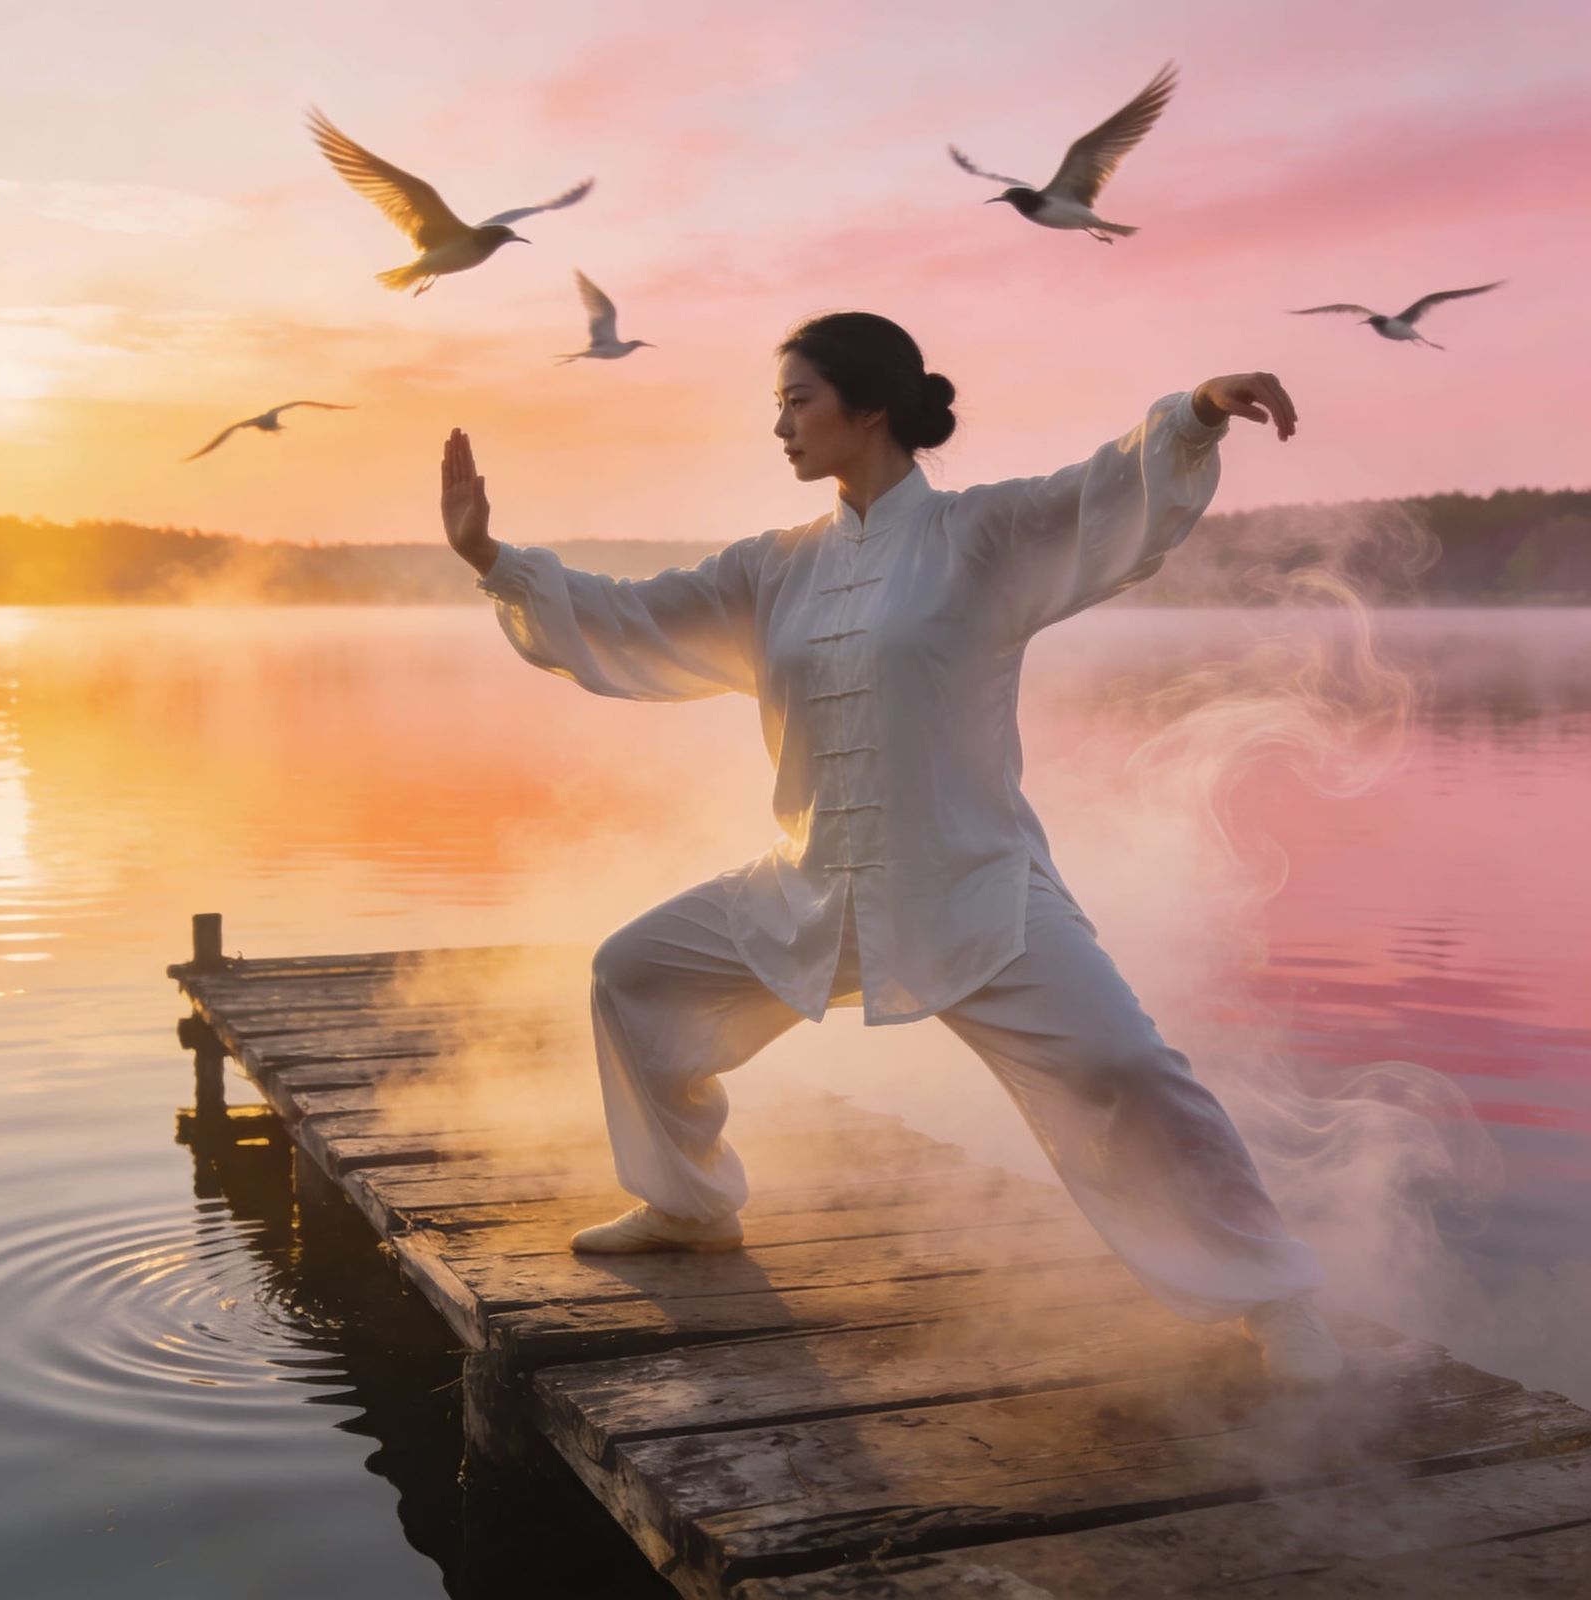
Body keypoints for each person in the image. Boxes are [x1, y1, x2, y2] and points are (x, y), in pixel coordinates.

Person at [439, 311, 1343, 1386]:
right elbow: (628, 618)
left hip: (973, 890)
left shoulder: (981, 536)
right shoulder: (770, 571)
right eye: (776, 405)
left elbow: (1104, 495)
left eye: (795, 401)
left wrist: (1193, 412)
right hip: (811, 884)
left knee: (1126, 1067)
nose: (778, 425)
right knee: (632, 975)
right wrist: (492, 559)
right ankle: (688, 1206)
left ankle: (1274, 1298)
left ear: (866, 408)